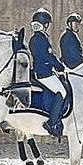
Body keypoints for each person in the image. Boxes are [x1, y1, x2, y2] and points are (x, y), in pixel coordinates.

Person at [29, 9, 67, 138]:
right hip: (44, 73)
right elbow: (48, 57)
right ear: (44, 24)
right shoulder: (40, 39)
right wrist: (60, 66)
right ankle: (51, 123)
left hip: (44, 71)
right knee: (62, 92)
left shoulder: (36, 38)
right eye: (47, 24)